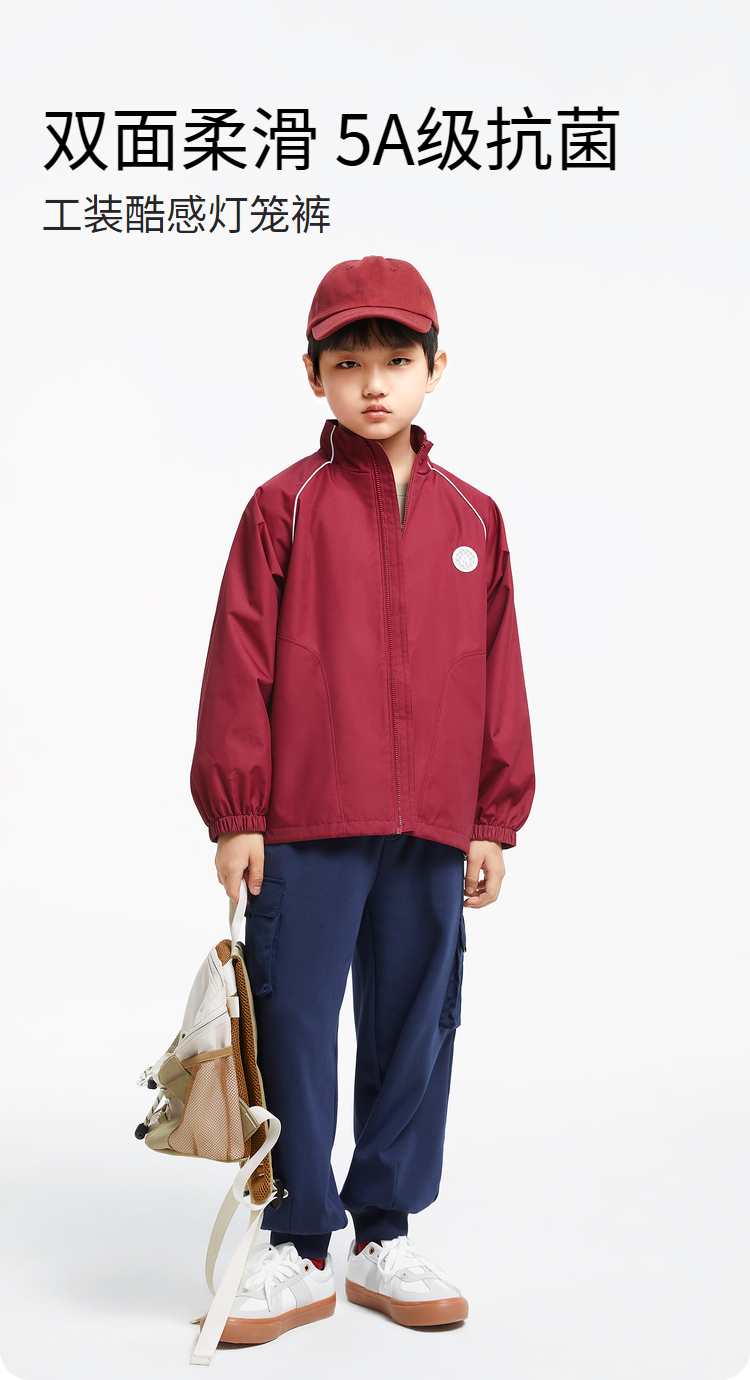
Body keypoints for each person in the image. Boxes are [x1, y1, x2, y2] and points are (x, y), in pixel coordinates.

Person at [189, 255, 535, 1341]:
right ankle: (298, 1244)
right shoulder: (283, 506)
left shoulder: (475, 516)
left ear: (437, 369)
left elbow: (498, 670)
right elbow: (239, 662)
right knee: (293, 1022)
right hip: (307, 819)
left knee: (415, 1026)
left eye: (395, 361)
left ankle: (384, 1232)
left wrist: (493, 817)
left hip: (433, 825)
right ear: (313, 375)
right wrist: (238, 812)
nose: (373, 383)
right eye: (348, 364)